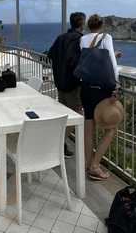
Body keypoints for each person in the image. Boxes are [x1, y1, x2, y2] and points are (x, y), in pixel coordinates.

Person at [80, 14, 119, 181]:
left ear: (89, 26)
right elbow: (109, 58)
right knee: (110, 128)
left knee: (88, 129)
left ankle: (87, 165)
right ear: (101, 25)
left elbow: (90, 59)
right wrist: (116, 83)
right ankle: (95, 166)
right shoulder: (106, 37)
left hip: (86, 88)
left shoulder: (82, 39)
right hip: (102, 90)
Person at [48, 12, 86, 158]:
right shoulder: (79, 40)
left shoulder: (61, 37)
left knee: (64, 116)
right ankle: (57, 144)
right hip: (73, 86)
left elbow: (50, 54)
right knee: (76, 116)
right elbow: (75, 62)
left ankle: (60, 144)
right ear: (82, 23)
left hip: (60, 83)